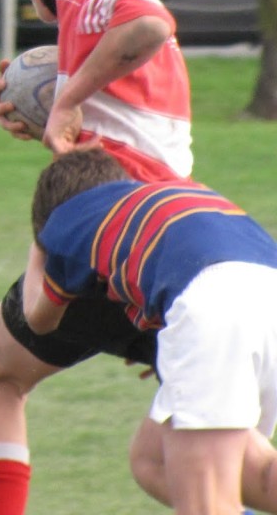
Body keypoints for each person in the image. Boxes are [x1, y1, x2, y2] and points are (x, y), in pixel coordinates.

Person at [0, 0, 192, 515]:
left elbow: (147, 26)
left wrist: (63, 98)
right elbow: (127, 117)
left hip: (110, 239)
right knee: (168, 463)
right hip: (177, 248)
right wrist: (47, 110)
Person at [24, 148, 277, 515]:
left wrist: (43, 245)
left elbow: (39, 319)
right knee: (153, 457)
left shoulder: (69, 224)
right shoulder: (171, 195)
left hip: (211, 309)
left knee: (206, 503)